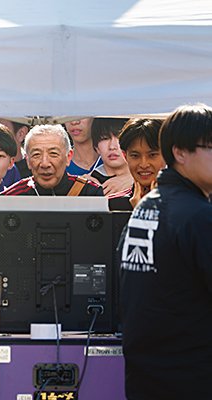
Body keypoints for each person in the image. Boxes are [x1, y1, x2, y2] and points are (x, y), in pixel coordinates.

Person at [119, 103, 212, 399]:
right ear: (180, 153)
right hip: (191, 377)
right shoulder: (196, 216)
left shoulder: (144, 207)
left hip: (146, 376)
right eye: (210, 147)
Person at [2, 124, 104, 196]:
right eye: (36, 155)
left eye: (53, 154)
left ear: (68, 157)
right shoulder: (12, 197)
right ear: (28, 160)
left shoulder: (90, 193)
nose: (45, 164)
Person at [118, 118, 166, 208]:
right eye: (135, 156)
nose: (144, 165)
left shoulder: (185, 202)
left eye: (152, 155)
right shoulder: (112, 205)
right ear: (125, 156)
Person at [89, 117, 133, 196]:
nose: (112, 146)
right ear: (96, 147)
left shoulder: (150, 178)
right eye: (105, 138)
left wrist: (134, 180)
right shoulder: (87, 183)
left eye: (119, 137)